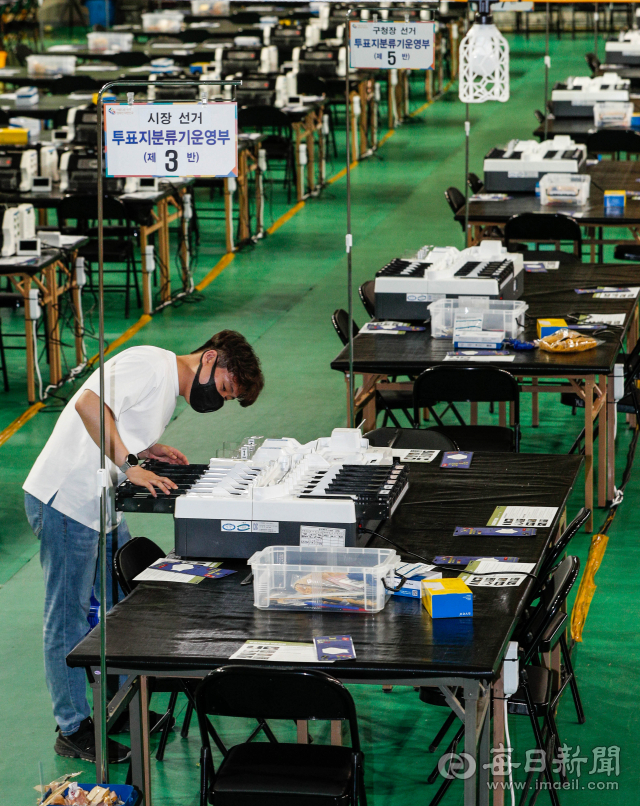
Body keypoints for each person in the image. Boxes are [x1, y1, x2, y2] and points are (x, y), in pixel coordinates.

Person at [23, 330, 264, 763]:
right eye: (224, 388)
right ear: (209, 359)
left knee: (125, 605)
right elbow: (88, 405)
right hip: (68, 501)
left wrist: (148, 449)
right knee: (68, 617)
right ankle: (73, 727)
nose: (218, 399)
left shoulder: (167, 389)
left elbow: (119, 419)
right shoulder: (149, 364)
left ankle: (117, 708)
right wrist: (130, 464)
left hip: (101, 503)